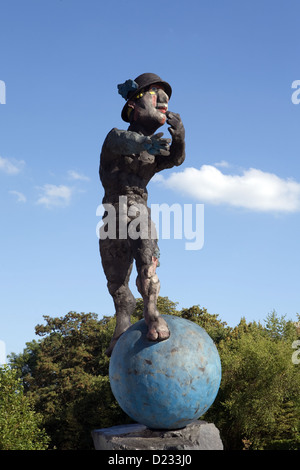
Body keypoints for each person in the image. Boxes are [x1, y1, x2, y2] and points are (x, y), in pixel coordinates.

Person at [99, 73, 185, 356]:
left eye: (167, 99)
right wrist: (145, 144)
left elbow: (174, 159)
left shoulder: (154, 150)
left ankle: (151, 312)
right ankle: (122, 322)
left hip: (137, 206)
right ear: (134, 105)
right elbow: (123, 141)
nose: (163, 102)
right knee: (116, 279)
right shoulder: (115, 137)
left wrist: (180, 138)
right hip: (112, 210)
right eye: (155, 94)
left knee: (147, 261)